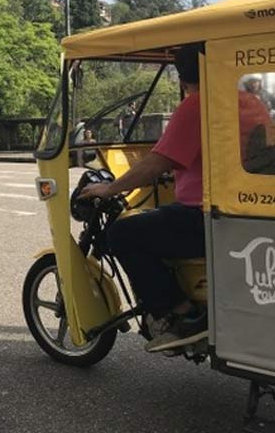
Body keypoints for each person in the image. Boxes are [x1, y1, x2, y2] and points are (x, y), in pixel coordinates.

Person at [80, 44, 208, 353]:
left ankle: (181, 316)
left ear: (182, 78)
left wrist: (111, 188)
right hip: (236, 214)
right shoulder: (246, 101)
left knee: (123, 233)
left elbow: (157, 161)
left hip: (203, 217)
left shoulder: (196, 105)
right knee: (160, 222)